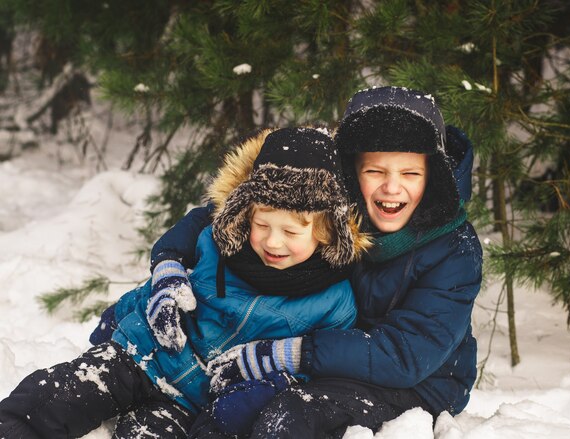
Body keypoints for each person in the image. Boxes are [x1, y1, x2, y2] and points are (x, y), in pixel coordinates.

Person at [144, 86, 483, 438]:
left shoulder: (455, 250)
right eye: (375, 172)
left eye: (410, 174)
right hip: (323, 356)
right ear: (353, 171)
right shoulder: (336, 202)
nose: (391, 188)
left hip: (416, 381)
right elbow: (221, 216)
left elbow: (406, 355)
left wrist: (292, 353)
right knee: (236, 404)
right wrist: (169, 262)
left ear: (432, 177)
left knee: (293, 412)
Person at [0, 127, 370, 439]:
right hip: (144, 356)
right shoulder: (216, 243)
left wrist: (260, 388)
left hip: (192, 403)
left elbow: (315, 365)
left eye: (290, 231)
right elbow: (163, 280)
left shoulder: (334, 300)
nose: (273, 242)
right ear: (246, 215)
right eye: (262, 225)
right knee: (64, 393)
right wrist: (130, 311)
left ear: (326, 232)